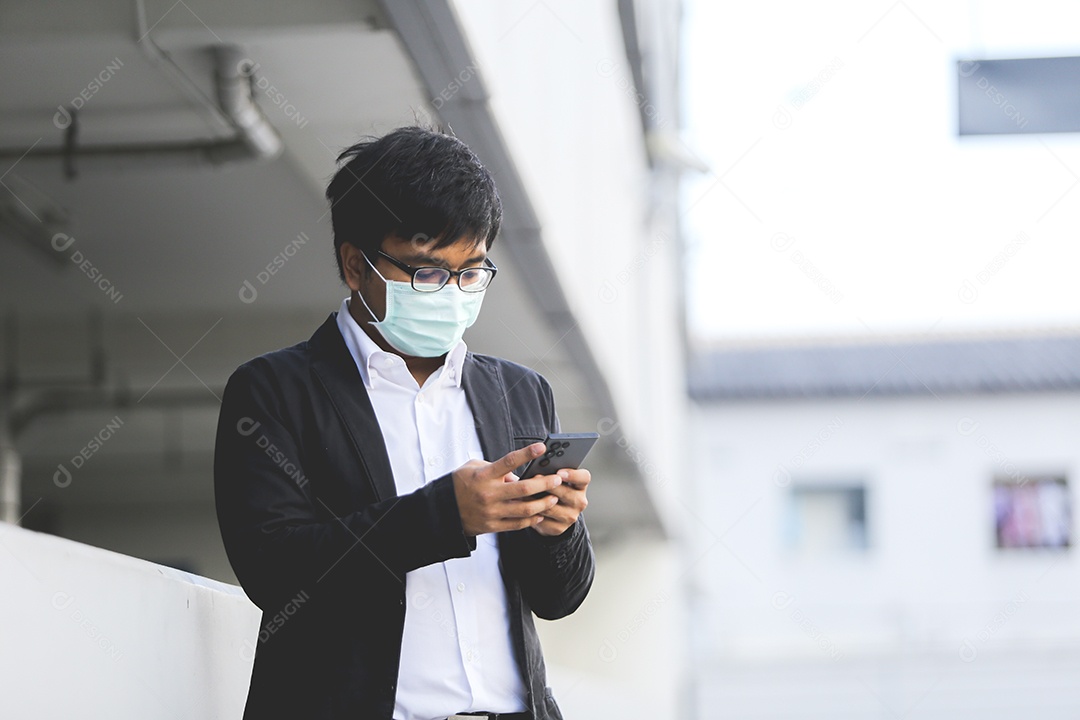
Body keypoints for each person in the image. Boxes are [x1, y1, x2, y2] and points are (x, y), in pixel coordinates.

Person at [214, 126, 595, 720]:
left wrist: (558, 529)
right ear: (355, 265)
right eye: (426, 273)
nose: (451, 294)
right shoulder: (275, 391)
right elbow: (276, 573)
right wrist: (445, 515)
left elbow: (559, 599)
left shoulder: (519, 393)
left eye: (470, 272)